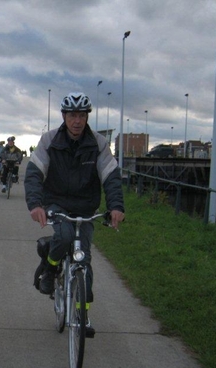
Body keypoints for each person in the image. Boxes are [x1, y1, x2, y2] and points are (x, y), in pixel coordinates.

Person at [25, 92, 125, 336]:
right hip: (56, 203)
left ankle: (83, 315)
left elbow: (111, 177)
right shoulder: (49, 140)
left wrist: (116, 206)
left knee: (84, 260)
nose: (77, 121)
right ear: (64, 116)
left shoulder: (99, 144)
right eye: (72, 115)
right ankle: (49, 269)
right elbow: (34, 174)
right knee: (66, 235)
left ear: (87, 117)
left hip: (85, 206)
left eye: (81, 115)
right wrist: (36, 204)